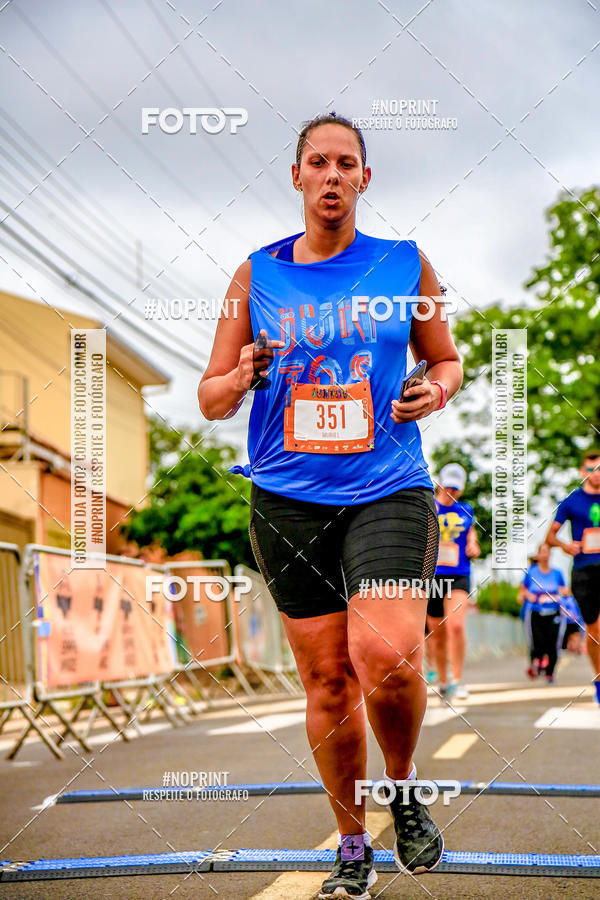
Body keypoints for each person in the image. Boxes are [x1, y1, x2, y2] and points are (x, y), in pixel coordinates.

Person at [197, 112, 463, 899]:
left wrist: (432, 392)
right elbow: (209, 397)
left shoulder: (405, 264)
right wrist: (243, 370)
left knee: (383, 654)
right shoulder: (255, 275)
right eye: (319, 161)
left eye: (347, 162)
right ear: (297, 177)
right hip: (288, 498)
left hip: (388, 485)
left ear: (365, 179)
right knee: (326, 684)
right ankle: (352, 846)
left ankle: (404, 788)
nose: (333, 175)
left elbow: (445, 359)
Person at [545, 449, 600, 706]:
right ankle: (599, 680)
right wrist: (565, 545)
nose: (595, 474)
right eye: (590, 470)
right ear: (582, 472)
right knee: (594, 629)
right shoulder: (571, 501)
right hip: (583, 571)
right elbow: (550, 536)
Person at [426, 463, 480, 701]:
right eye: (448, 486)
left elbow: (472, 536)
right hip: (431, 576)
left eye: (456, 488)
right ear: (440, 482)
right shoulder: (428, 506)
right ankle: (443, 681)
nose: (451, 491)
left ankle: (457, 680)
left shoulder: (466, 510)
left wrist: (473, 545)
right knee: (436, 634)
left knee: (456, 626)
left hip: (458, 574)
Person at [517, 544, 569, 683]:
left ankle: (550, 673)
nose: (545, 555)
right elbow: (522, 592)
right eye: (543, 552)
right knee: (537, 641)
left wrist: (557, 593)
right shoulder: (531, 573)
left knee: (553, 643)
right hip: (536, 612)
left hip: (554, 613)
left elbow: (566, 591)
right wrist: (528, 595)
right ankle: (537, 662)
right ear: (538, 555)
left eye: (548, 552)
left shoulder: (557, 573)